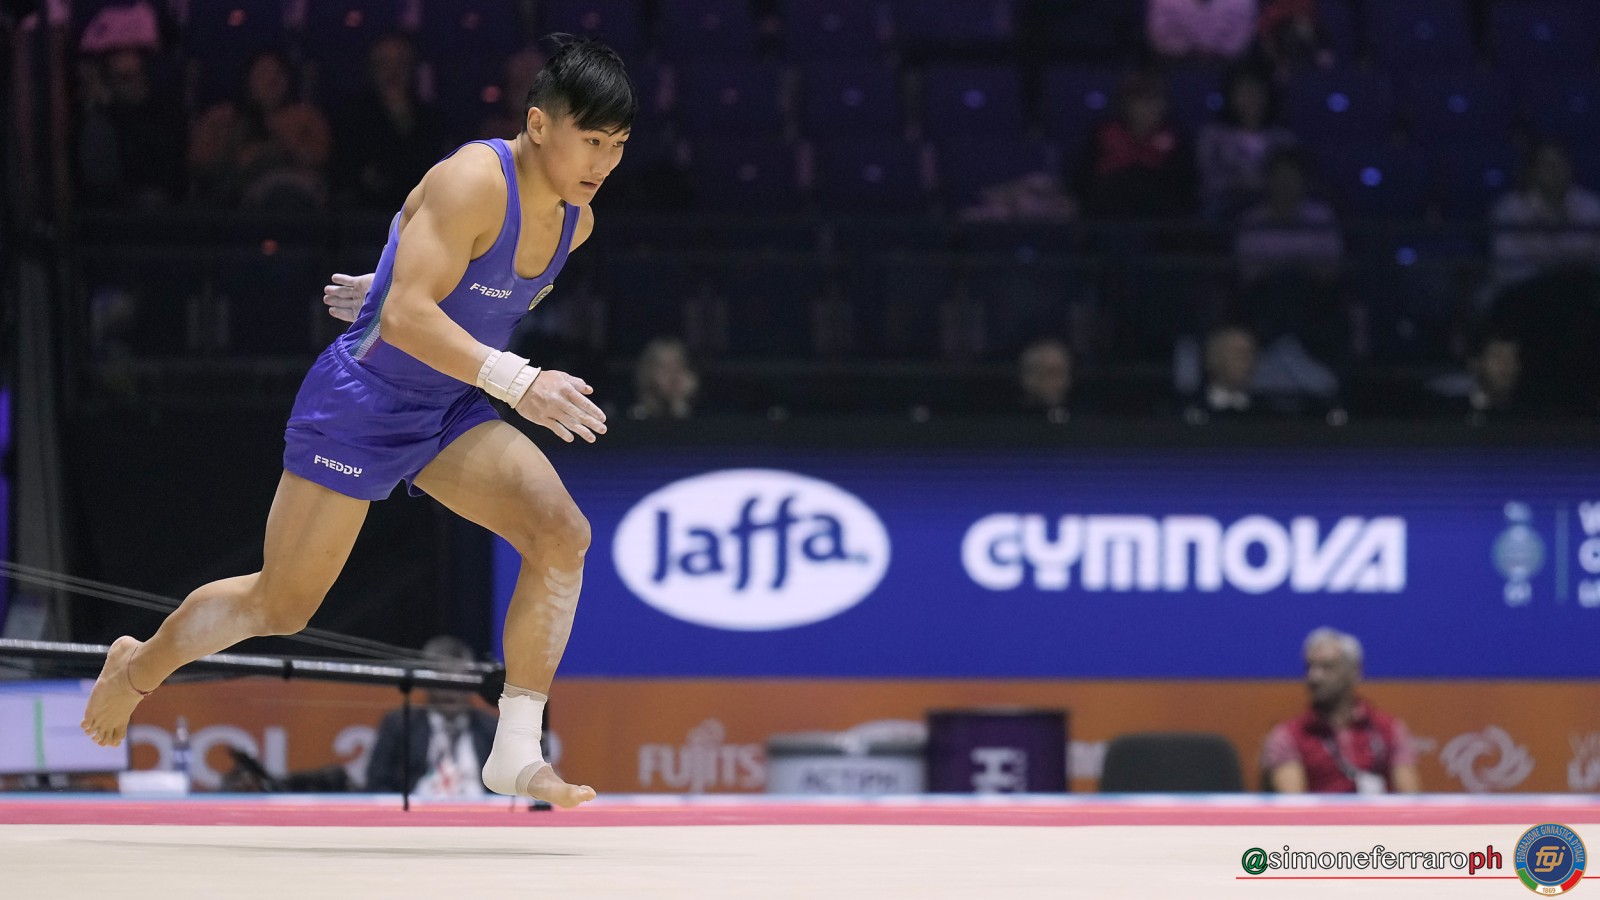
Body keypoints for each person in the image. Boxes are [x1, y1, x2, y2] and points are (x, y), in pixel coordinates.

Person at [81, 37, 636, 810]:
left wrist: (390, 282)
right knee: (280, 605)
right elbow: (407, 315)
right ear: (539, 124)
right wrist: (513, 376)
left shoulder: (577, 223)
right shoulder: (474, 179)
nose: (603, 162)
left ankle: (514, 752)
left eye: (617, 145)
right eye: (591, 140)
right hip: (364, 400)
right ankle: (136, 667)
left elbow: (461, 287)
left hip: (447, 406)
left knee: (561, 535)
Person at [1262, 627, 1422, 794]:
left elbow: (1410, 800)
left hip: (1377, 811)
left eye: (1327, 667)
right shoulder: (1289, 736)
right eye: (1310, 667)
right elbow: (1293, 805)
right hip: (1320, 812)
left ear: (1354, 671)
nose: (1314, 676)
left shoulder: (1389, 729)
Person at [187, 49, 332, 209]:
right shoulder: (222, 117)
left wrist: (280, 138)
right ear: (248, 80)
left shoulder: (307, 117)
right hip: (232, 192)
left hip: (289, 189)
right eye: (263, 73)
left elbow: (319, 162)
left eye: (279, 74)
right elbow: (198, 164)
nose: (272, 79)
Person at [365, 636, 500, 795]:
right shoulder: (400, 725)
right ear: (426, 684)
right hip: (417, 808)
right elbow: (377, 784)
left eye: (458, 683)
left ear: (472, 683)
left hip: (482, 808)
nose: (450, 694)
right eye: (442, 683)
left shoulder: (492, 729)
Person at [333, 34, 452, 210]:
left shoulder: (432, 119)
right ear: (371, 69)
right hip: (368, 213)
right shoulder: (351, 117)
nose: (392, 72)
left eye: (400, 63)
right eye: (383, 64)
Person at [1196, 65, 1296, 219]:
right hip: (1226, 210)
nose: (1251, 97)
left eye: (1257, 90)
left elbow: (1291, 180)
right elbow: (1211, 181)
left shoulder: (1283, 139)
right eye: (1244, 91)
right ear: (1231, 95)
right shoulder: (1212, 136)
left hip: (1273, 210)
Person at [1147, 0, 1259, 62]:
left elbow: (1240, 43)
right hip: (1171, 67)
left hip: (1230, 69)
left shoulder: (1242, 2)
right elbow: (1160, 40)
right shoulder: (1164, 2)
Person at [629, 336, 699, 420]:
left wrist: (680, 403)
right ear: (649, 372)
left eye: (678, 365)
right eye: (664, 367)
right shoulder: (636, 411)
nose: (672, 373)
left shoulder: (706, 409)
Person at [1016, 338, 1073, 422]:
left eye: (1064, 373)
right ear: (1030, 377)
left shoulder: (1081, 416)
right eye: (1051, 373)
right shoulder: (1013, 419)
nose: (1061, 382)